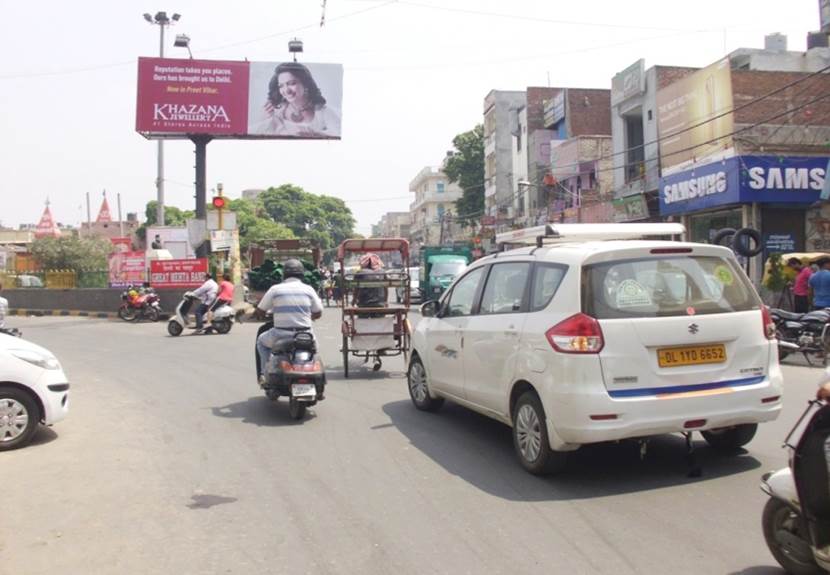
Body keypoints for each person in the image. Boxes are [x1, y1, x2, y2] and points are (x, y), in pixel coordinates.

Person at [256, 259, 323, 384]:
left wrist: (263, 314)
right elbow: (318, 312)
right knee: (315, 352)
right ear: (302, 274)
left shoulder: (275, 289)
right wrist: (309, 316)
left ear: (284, 274)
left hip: (281, 334)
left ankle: (265, 372)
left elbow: (260, 311)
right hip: (306, 335)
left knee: (261, 341)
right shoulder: (308, 289)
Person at [252, 62, 341, 138]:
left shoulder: (322, 111)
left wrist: (314, 134)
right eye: (281, 86)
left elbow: (340, 135)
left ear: (305, 83)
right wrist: (263, 120)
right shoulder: (276, 113)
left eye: (291, 83)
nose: (286, 91)